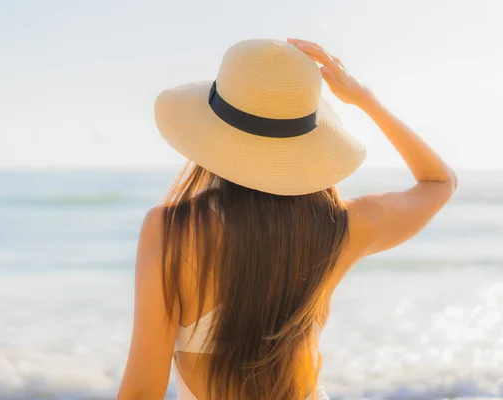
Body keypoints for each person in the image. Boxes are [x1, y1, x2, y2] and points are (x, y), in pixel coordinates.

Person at [117, 38, 457, 400]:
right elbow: (439, 183)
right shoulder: (342, 227)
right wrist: (365, 100)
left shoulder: (172, 230)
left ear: (213, 132)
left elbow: (142, 390)